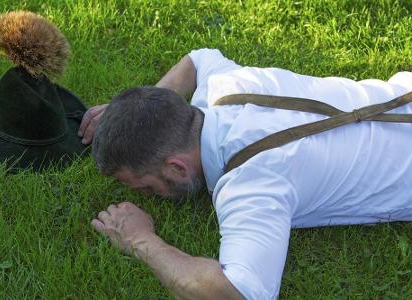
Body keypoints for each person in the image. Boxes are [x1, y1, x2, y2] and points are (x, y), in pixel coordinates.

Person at [80, 49, 412, 299]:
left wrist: (140, 240)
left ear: (177, 168)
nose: (148, 198)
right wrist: (134, 113)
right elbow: (198, 58)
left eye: (147, 188)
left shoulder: (251, 186)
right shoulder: (227, 85)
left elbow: (238, 291)